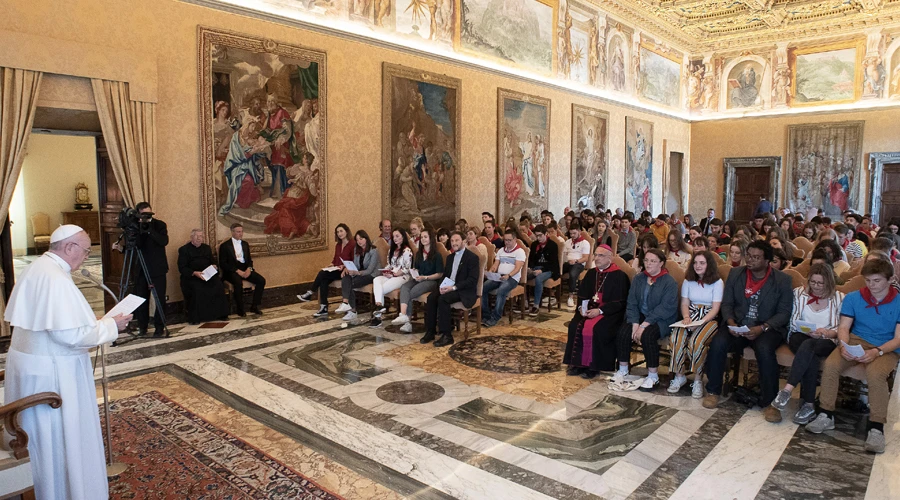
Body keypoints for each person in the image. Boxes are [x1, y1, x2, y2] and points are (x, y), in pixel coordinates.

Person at [4, 225, 132, 500]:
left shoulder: (39, 268)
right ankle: (63, 490)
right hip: (51, 380)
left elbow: (59, 323)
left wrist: (96, 322)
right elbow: (69, 334)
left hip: (35, 369)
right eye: (85, 250)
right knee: (59, 441)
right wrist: (112, 325)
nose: (87, 256)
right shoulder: (55, 279)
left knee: (45, 438)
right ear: (69, 247)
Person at [805, 259, 900, 454]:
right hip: (856, 340)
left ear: (891, 280)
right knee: (831, 365)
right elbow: (844, 327)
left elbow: (898, 338)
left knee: (875, 374)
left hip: (886, 346)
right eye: (868, 280)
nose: (871, 285)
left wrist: (877, 351)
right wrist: (843, 344)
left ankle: (876, 427)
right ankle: (826, 414)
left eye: (877, 281)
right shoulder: (854, 297)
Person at [703, 241, 793, 423]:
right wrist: (730, 322)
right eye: (749, 256)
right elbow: (727, 303)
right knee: (718, 343)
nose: (750, 260)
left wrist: (763, 327)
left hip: (766, 327)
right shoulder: (736, 274)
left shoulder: (782, 280)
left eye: (756, 257)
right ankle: (713, 391)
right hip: (738, 324)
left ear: (767, 260)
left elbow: (784, 313)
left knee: (765, 350)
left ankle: (770, 403)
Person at [770, 264, 844, 424]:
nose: (816, 287)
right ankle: (808, 405)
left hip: (826, 339)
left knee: (810, 349)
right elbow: (793, 320)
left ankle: (788, 390)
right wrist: (807, 330)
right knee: (808, 347)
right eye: (813, 282)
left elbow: (841, 327)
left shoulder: (839, 298)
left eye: (820, 283)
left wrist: (828, 332)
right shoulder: (799, 294)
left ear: (829, 283)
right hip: (800, 335)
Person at [614, 248, 679, 389]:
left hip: (661, 318)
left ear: (661, 263)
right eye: (646, 260)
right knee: (624, 331)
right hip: (641, 314)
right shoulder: (639, 278)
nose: (648, 264)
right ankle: (623, 369)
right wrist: (635, 322)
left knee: (648, 335)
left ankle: (653, 375)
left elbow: (666, 308)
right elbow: (632, 302)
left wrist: (643, 325)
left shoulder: (669, 282)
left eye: (653, 261)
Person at [563, 244, 631, 379]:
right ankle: (577, 364)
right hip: (589, 311)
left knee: (598, 329)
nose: (597, 258)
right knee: (575, 325)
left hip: (609, 314)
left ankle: (594, 366)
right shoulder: (591, 273)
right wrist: (582, 308)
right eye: (595, 255)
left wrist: (600, 311)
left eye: (601, 255)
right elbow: (582, 295)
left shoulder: (619, 276)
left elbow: (620, 302)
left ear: (610, 258)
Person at [668, 251, 723, 397]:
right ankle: (679, 376)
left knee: (696, 342)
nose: (698, 266)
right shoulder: (688, 280)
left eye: (702, 263)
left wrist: (700, 323)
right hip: (690, 315)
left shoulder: (717, 282)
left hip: (709, 318)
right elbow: (685, 303)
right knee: (676, 337)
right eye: (696, 263)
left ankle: (698, 380)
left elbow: (716, 308)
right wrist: (686, 317)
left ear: (709, 265)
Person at [114, 202, 168, 337]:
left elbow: (163, 241)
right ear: (138, 214)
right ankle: (142, 327)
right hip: (141, 269)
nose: (146, 217)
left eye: (149, 214)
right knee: (141, 299)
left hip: (157, 268)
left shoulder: (160, 225)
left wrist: (149, 229)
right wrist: (122, 248)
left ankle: (159, 327)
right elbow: (133, 246)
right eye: (143, 215)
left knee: (159, 299)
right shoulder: (135, 227)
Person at [421, 231, 480, 347]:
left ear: (464, 241)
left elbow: (472, 280)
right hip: (449, 286)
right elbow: (446, 276)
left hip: (463, 290)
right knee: (431, 297)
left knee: (443, 299)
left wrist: (453, 287)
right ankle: (430, 331)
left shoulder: (472, 258)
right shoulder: (450, 257)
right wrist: (442, 287)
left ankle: (447, 335)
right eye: (452, 241)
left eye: (457, 240)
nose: (454, 243)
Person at [392, 229, 445, 332]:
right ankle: (403, 316)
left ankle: (407, 321)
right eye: (422, 237)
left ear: (431, 239)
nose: (423, 239)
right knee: (404, 287)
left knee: (411, 293)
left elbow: (439, 274)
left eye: (425, 237)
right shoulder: (419, 254)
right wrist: (414, 272)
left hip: (431, 281)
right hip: (419, 278)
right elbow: (416, 268)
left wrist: (425, 277)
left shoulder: (436, 255)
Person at [298, 223, 353, 317]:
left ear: (346, 231)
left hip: (346, 271)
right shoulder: (338, 245)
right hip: (337, 269)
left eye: (341, 231)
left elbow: (354, 260)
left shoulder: (352, 244)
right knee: (324, 279)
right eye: (337, 232)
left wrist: (344, 266)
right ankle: (323, 307)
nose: (339, 234)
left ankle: (310, 292)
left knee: (322, 274)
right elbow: (335, 259)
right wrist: (331, 265)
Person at [177, 229, 230, 324]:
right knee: (197, 288)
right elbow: (182, 268)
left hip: (207, 275)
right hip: (192, 277)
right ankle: (196, 317)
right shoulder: (184, 250)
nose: (199, 238)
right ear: (191, 237)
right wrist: (194, 273)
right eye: (197, 236)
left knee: (218, 285)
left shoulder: (206, 248)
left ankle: (220, 314)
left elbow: (213, 261)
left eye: (201, 236)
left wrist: (214, 266)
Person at [218, 223, 267, 317]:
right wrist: (237, 271)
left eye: (241, 232)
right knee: (238, 282)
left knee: (261, 280)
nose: (240, 234)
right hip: (232, 271)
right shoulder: (225, 246)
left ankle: (255, 306)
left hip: (245, 269)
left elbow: (249, 260)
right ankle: (240, 309)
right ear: (232, 232)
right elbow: (223, 263)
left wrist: (249, 269)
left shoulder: (245, 244)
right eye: (238, 232)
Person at [482, 229, 527, 327]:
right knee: (483, 288)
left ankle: (495, 317)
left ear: (515, 239)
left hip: (512, 278)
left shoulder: (520, 251)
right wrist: (490, 272)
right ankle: (486, 315)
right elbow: (495, 264)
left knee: (501, 290)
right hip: (499, 276)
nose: (507, 242)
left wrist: (509, 275)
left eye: (509, 240)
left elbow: (518, 268)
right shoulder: (501, 250)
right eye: (505, 240)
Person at [370, 228, 414, 327]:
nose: (395, 238)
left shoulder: (407, 250)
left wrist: (396, 274)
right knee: (376, 280)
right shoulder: (392, 250)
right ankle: (380, 306)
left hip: (402, 276)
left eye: (397, 236)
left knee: (381, 288)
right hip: (391, 274)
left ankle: (378, 316)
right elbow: (389, 265)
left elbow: (408, 268)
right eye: (393, 236)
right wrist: (386, 271)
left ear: (403, 237)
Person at [334, 230, 380, 321]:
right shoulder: (356, 250)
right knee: (346, 277)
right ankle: (345, 303)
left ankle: (352, 311)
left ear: (366, 239)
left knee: (350, 283)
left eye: (361, 239)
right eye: (357, 239)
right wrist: (348, 268)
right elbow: (355, 265)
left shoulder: (373, 251)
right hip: (359, 273)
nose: (359, 241)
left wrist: (357, 273)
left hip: (371, 275)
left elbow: (370, 270)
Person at [527, 225, 560, 315]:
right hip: (536, 268)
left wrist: (541, 270)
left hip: (549, 269)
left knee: (539, 278)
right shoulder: (534, 245)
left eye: (540, 235)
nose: (538, 238)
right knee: (523, 276)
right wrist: (530, 268)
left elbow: (553, 263)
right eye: (536, 236)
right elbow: (531, 260)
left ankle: (536, 305)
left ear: (546, 234)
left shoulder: (553, 245)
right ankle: (524, 302)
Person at [563, 223, 591, 308]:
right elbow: (564, 254)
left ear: (579, 232)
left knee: (573, 274)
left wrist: (575, 261)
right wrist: (567, 260)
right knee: (557, 269)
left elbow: (585, 258)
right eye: (570, 233)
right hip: (568, 262)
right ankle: (553, 293)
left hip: (579, 263)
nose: (572, 235)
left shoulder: (585, 243)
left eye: (574, 233)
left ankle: (571, 296)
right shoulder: (568, 242)